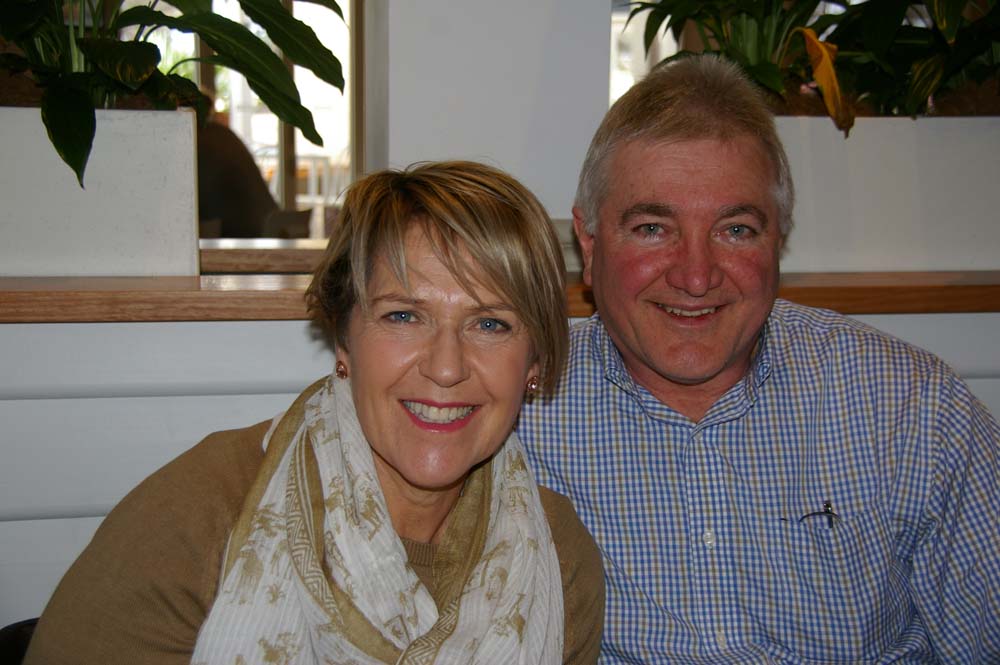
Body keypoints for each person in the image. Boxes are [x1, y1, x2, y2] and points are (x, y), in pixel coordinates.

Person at [518, 54, 1000, 662]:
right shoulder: (514, 408)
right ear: (588, 245)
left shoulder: (909, 405)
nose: (696, 276)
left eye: (736, 230)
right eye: (652, 228)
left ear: (778, 238)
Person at [25, 161, 604, 664]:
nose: (446, 367)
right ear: (343, 339)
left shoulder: (556, 558)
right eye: (404, 316)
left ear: (534, 362)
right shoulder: (202, 516)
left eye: (491, 324)